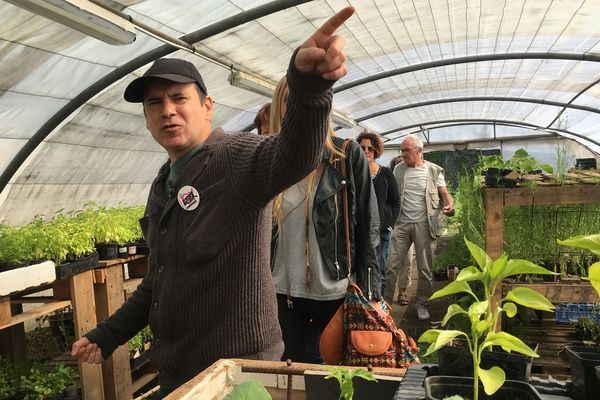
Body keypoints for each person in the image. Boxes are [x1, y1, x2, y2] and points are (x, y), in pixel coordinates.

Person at [70, 7, 356, 397]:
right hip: (180, 372)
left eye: (178, 98)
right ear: (146, 118)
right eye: (155, 104)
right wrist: (109, 333)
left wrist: (307, 87)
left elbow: (296, 154)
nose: (167, 110)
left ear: (207, 106)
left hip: (238, 373)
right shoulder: (162, 185)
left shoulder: (236, 157)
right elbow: (160, 278)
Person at [267, 76, 380, 363]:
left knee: (335, 374)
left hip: (334, 293)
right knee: (288, 377)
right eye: (291, 99)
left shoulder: (346, 155)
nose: (302, 106)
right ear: (279, 106)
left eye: (312, 99)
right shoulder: (267, 158)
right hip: (282, 294)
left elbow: (369, 224)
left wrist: (371, 290)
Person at [384, 134, 454, 320]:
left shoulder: (433, 171)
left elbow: (445, 193)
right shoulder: (398, 169)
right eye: (402, 150)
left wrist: (449, 205)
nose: (403, 153)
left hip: (425, 224)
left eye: (407, 150)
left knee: (424, 269)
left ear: (419, 151)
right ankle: (385, 306)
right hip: (402, 224)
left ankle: (422, 304)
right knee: (391, 266)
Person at [356, 132, 399, 298]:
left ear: (376, 151)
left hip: (381, 231)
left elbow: (395, 202)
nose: (366, 151)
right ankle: (363, 305)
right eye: (361, 148)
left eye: (370, 148)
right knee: (360, 269)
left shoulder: (386, 173)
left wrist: (389, 225)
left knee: (379, 270)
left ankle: (379, 306)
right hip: (360, 230)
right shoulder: (354, 174)